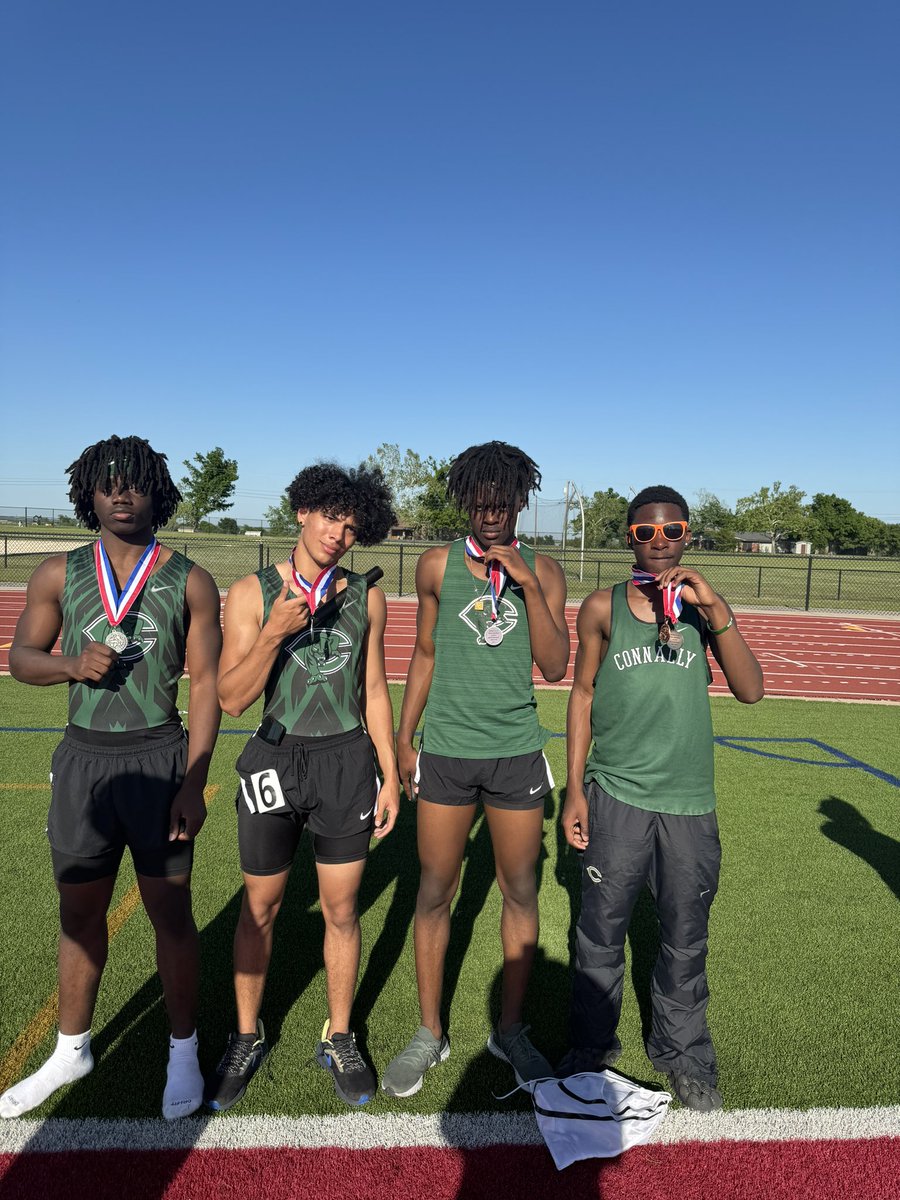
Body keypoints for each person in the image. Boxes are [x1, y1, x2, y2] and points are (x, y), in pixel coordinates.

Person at [1, 435, 222, 1120]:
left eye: (135, 483)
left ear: (158, 493)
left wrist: (194, 781)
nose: (122, 494)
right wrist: (71, 664)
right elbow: (21, 658)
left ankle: (182, 1050)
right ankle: (71, 1049)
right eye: (108, 483)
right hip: (83, 763)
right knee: (78, 912)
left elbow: (208, 686)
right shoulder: (57, 573)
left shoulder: (189, 579)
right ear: (88, 494)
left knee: (170, 914)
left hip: (159, 760)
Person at [560, 485, 764, 1110]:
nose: (659, 541)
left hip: (688, 802)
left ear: (687, 536)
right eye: (645, 532)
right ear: (629, 537)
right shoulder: (603, 606)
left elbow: (751, 690)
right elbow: (583, 694)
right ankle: (592, 1043)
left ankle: (683, 1051)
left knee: (684, 934)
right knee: (600, 930)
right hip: (616, 793)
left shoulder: (701, 609)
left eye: (672, 530)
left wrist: (716, 605)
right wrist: (574, 788)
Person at [207, 462, 399, 1111]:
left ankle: (340, 1035)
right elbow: (231, 699)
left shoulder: (365, 596)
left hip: (346, 761)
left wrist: (388, 773)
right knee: (259, 907)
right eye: (330, 517)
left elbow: (374, 689)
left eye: (352, 527)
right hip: (272, 760)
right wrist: (273, 633)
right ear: (302, 511)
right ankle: (245, 1035)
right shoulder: (251, 593)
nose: (338, 534)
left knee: (342, 909)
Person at [382, 441, 570, 1098]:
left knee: (520, 891)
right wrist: (405, 737)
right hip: (447, 752)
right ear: (467, 502)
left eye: (502, 503)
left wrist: (526, 583)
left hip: (515, 752)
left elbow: (555, 666)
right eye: (480, 503)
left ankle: (510, 1031)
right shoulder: (436, 564)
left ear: (520, 501)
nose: (491, 515)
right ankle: (429, 1032)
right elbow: (425, 653)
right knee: (435, 890)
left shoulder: (545, 570)